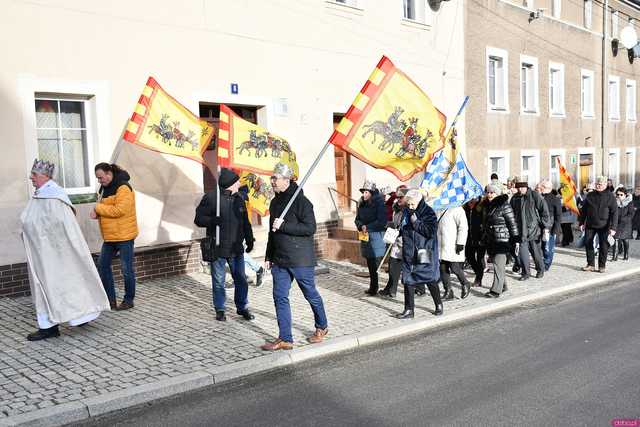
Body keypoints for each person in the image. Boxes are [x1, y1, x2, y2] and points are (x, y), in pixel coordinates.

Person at [22, 159, 110, 341]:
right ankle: (49, 325)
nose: (31, 178)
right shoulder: (40, 195)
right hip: (42, 253)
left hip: (56, 253)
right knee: (47, 287)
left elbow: (63, 227)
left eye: (35, 175)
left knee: (66, 283)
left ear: (46, 177)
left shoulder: (55, 198)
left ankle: (77, 316)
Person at [261, 163, 328, 351]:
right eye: (271, 178)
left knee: (310, 294)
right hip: (280, 259)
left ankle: (322, 326)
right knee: (279, 296)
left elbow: (310, 228)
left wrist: (284, 226)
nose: (272, 181)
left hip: (300, 259)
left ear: (286, 179)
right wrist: (268, 254)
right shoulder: (275, 202)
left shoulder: (302, 202)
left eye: (275, 178)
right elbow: (271, 232)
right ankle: (285, 338)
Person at [194, 168, 255, 321]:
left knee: (241, 279)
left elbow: (245, 222)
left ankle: (242, 307)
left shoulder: (239, 198)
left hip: (235, 248)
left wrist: (249, 239)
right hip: (218, 247)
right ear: (230, 184)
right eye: (237, 181)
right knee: (218, 280)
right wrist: (213, 221)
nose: (240, 183)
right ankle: (220, 309)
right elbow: (198, 219)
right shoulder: (211, 198)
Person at [92, 163, 139, 311]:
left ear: (108, 173)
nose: (99, 181)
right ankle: (110, 300)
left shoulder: (123, 187)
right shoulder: (104, 188)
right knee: (103, 265)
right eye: (98, 178)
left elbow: (119, 210)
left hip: (124, 235)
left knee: (126, 269)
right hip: (110, 236)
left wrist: (98, 208)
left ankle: (128, 300)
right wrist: (98, 212)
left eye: (100, 177)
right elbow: (107, 208)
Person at [396, 189, 442, 318]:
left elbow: (430, 232)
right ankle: (409, 310)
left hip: (424, 251)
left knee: (430, 279)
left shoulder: (429, 212)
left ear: (419, 201)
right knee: (408, 281)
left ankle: (438, 304)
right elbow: (403, 227)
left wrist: (416, 222)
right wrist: (395, 231)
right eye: (408, 204)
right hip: (409, 252)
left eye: (413, 205)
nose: (410, 207)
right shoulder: (406, 211)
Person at [510, 177, 550, 281]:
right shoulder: (515, 198)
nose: (519, 190)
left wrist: (545, 226)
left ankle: (540, 269)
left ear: (526, 187)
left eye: (522, 187)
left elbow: (544, 211)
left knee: (536, 253)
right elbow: (511, 213)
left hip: (533, 230)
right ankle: (525, 273)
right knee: (522, 254)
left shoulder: (534, 195)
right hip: (520, 231)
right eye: (518, 187)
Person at [482, 184, 519, 298]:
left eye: (492, 192)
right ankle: (503, 285)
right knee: (499, 265)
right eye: (488, 192)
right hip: (492, 239)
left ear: (497, 193)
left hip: (502, 239)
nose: (489, 194)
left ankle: (495, 291)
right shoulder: (487, 206)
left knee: (498, 265)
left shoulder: (504, 205)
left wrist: (516, 239)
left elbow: (512, 223)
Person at [579, 176, 618, 273]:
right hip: (590, 224)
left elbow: (615, 213)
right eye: (597, 184)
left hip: (604, 225)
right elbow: (584, 210)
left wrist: (613, 228)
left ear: (605, 185)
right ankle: (590, 264)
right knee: (588, 243)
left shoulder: (610, 196)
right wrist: (581, 222)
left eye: (600, 184)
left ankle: (602, 266)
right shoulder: (590, 195)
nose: (598, 185)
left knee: (603, 246)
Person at [354, 180, 387, 296]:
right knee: (370, 263)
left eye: (366, 192)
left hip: (376, 236)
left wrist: (367, 227)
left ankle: (379, 287)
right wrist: (360, 226)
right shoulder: (362, 204)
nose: (364, 195)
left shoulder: (379, 204)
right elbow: (357, 219)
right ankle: (373, 287)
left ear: (372, 193)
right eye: (363, 192)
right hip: (365, 237)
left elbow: (382, 221)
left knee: (375, 265)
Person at [437, 206, 473, 300]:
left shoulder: (457, 209)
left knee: (454, 267)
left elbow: (463, 227)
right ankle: (448, 291)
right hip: (441, 244)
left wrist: (460, 242)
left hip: (452, 243)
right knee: (443, 267)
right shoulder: (440, 208)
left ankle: (465, 283)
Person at [379, 187, 408, 298]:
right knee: (393, 266)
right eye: (398, 197)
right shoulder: (396, 208)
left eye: (401, 197)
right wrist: (390, 225)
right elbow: (395, 223)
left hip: (406, 244)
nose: (399, 199)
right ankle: (392, 289)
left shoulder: (409, 210)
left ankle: (420, 288)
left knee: (412, 268)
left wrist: (401, 230)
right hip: (396, 242)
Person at [238, 184, 265, 287]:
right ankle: (244, 275)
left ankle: (257, 269)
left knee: (240, 254)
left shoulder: (244, 202)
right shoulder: (248, 201)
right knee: (239, 255)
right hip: (243, 230)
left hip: (243, 230)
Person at [539, 181, 562, 271]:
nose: (540, 188)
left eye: (542, 187)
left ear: (547, 188)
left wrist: (556, 229)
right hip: (539, 226)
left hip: (550, 227)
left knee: (547, 247)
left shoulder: (555, 199)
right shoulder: (540, 197)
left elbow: (558, 215)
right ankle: (542, 261)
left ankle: (547, 263)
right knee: (541, 246)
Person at [464, 196, 486, 287]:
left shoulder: (481, 207)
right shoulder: (464, 207)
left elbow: (485, 220)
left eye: (473, 197)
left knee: (480, 258)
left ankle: (478, 279)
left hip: (480, 237)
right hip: (468, 237)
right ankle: (478, 273)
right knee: (469, 257)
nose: (471, 199)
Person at [612, 187, 635, 261]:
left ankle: (626, 255)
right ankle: (615, 257)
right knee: (615, 239)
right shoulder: (614, 202)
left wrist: (623, 219)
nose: (619, 196)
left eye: (621, 195)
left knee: (625, 240)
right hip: (616, 224)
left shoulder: (630, 203)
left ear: (625, 195)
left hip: (626, 225)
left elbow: (631, 214)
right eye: (617, 194)